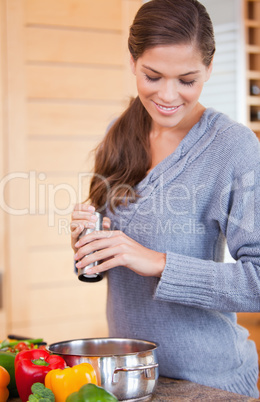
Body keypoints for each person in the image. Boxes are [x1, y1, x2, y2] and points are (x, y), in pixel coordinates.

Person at [71, 0, 260, 397]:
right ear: (133, 60)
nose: (168, 96)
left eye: (187, 80)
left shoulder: (234, 148)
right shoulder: (120, 131)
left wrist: (156, 263)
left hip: (207, 381)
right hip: (128, 375)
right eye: (152, 76)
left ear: (208, 68)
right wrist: (90, 245)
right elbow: (111, 259)